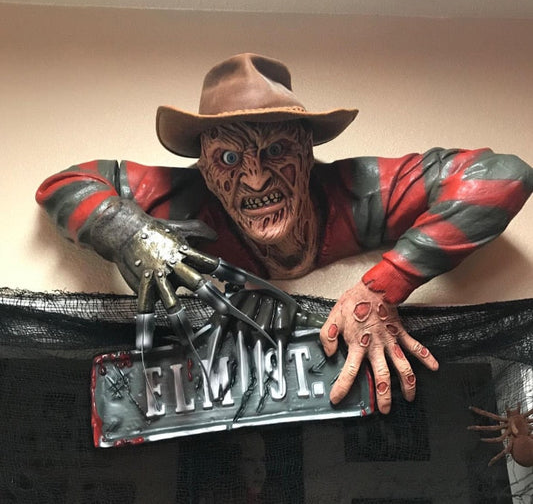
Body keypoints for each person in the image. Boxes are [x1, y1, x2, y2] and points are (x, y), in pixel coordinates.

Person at [36, 53, 533, 414]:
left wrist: (383, 288)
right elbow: (64, 185)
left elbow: (502, 177)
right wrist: (130, 232)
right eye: (229, 158)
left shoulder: (354, 190)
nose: (254, 179)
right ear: (205, 169)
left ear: (307, 154)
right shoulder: (186, 198)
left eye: (275, 151)